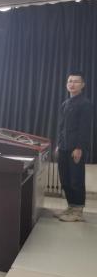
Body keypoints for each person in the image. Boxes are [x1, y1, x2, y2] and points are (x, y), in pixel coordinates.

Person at [55, 71, 93, 222]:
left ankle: (78, 212)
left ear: (82, 85)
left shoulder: (85, 104)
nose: (72, 84)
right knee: (65, 179)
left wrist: (79, 148)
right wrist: (58, 144)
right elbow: (61, 127)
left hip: (75, 148)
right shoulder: (65, 103)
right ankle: (71, 207)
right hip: (63, 147)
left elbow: (85, 129)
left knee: (76, 180)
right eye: (70, 81)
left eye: (76, 81)